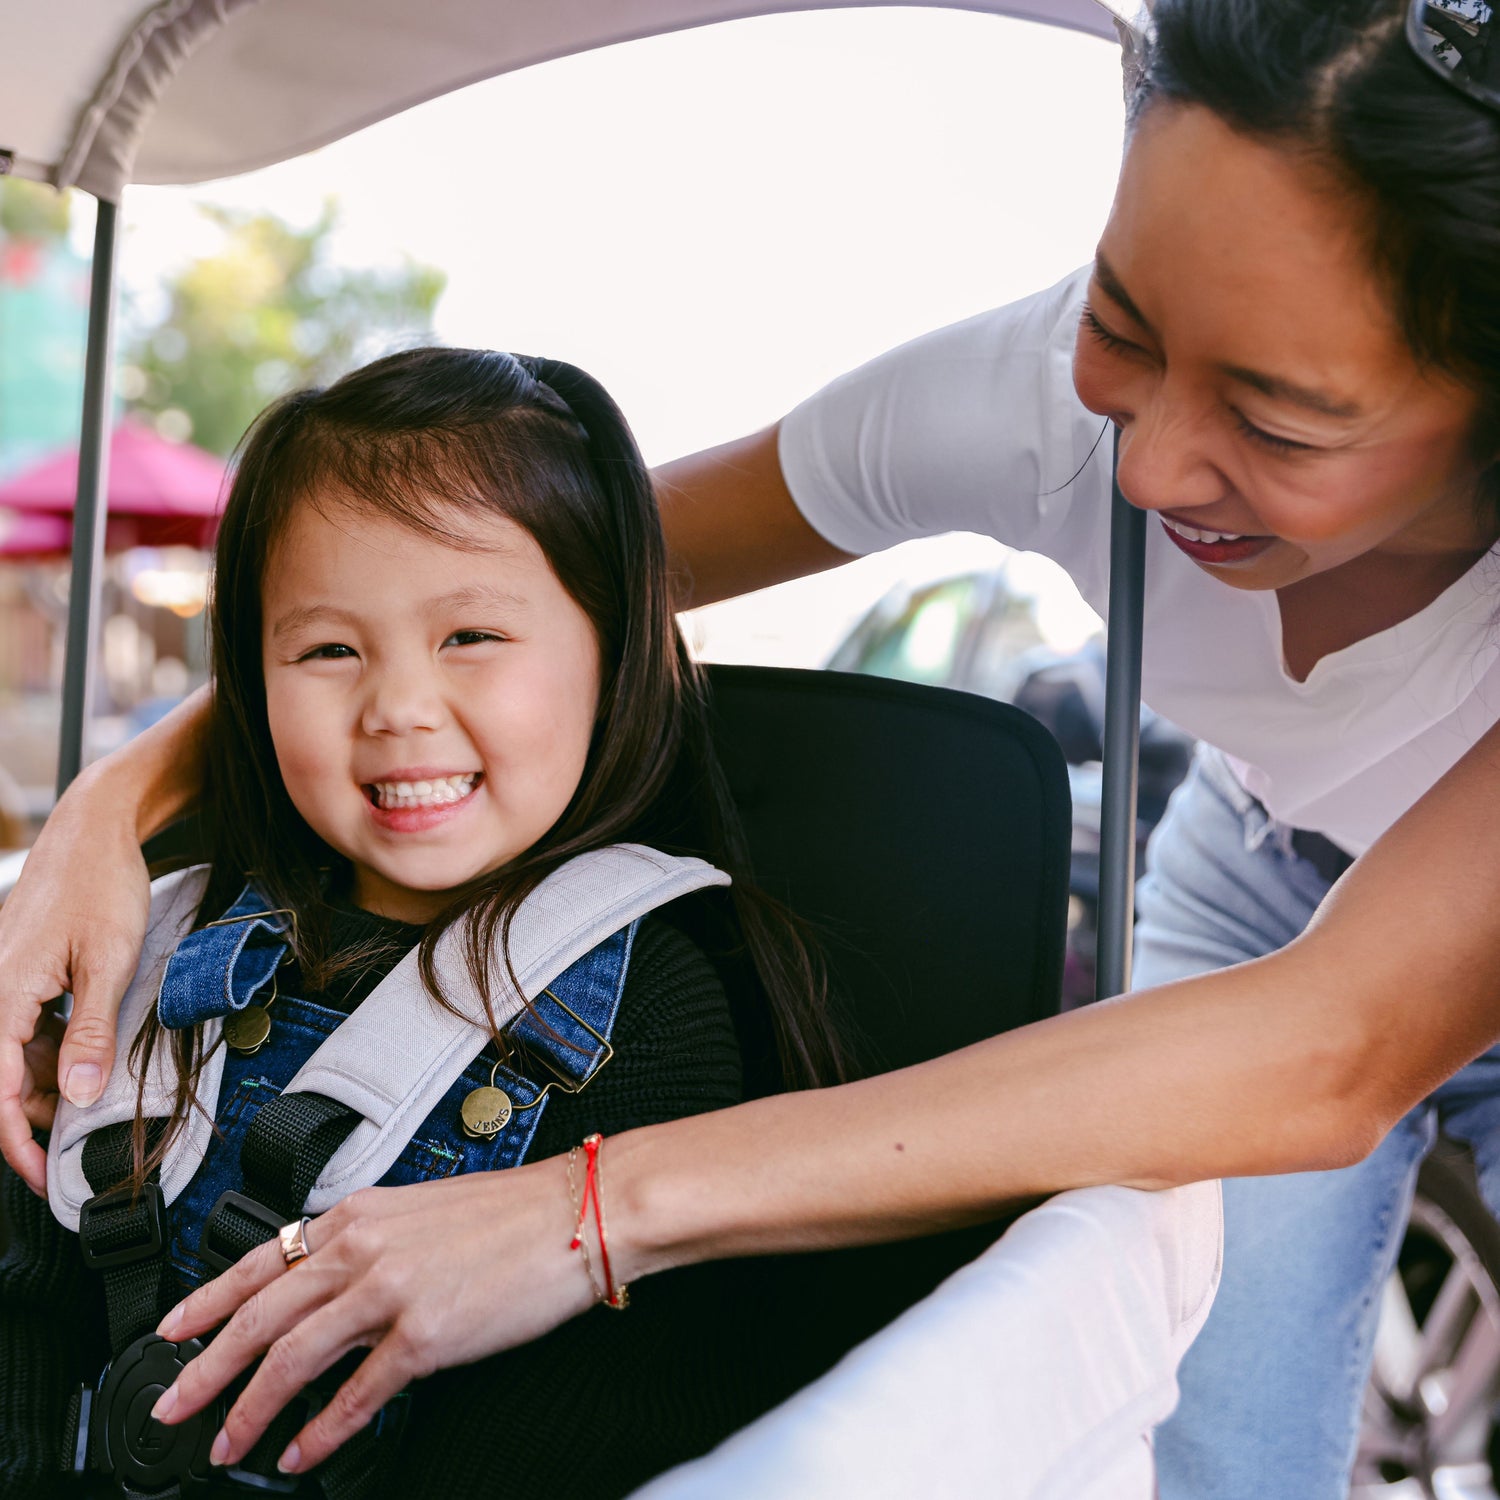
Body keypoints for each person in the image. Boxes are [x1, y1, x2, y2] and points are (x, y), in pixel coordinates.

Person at [5, 0, 1500, 1493]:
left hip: (1345, 993)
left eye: (1282, 421)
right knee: (1202, 1438)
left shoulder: (656, 996)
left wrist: (580, 1212)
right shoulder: (1040, 399)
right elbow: (503, 579)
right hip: (1252, 862)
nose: (1152, 461)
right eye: (1122, 323)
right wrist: (113, 803)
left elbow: (1335, 1046)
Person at [0, 346, 851, 1497]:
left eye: (473, 638)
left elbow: (606, 1421)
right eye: (328, 650)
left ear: (612, 647)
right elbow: (31, 1279)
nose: (397, 706)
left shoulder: (652, 1006)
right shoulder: (162, 939)